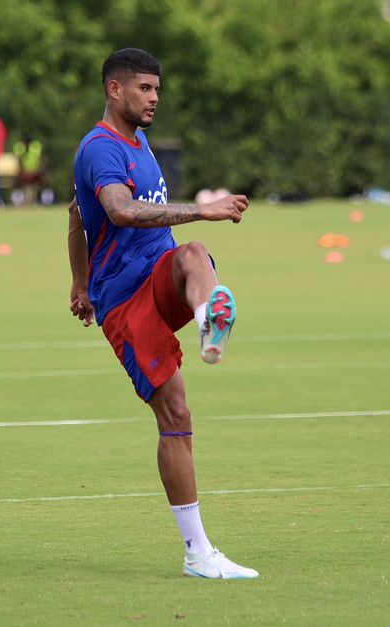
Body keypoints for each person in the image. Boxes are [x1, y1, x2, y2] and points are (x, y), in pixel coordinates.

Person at [68, 48, 257, 579]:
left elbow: (73, 214)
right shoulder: (99, 149)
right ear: (114, 89)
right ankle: (198, 553)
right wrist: (86, 285)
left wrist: (75, 281)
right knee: (176, 417)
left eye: (157, 89)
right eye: (145, 89)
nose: (154, 98)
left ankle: (209, 321)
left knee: (193, 252)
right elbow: (114, 211)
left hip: (160, 277)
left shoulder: (139, 142)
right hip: (125, 303)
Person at [12, 134, 52, 205]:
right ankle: (18, 201)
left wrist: (39, 170)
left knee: (45, 181)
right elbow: (19, 162)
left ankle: (47, 200)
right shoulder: (19, 148)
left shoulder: (36, 147)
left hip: (36, 172)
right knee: (17, 181)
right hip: (24, 172)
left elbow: (42, 160)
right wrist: (23, 171)